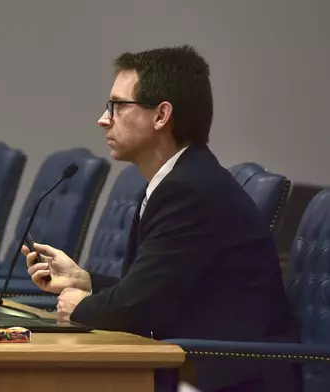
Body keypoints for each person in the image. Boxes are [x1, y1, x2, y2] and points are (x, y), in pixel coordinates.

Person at [22, 45, 299, 392]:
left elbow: (138, 310)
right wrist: (85, 280)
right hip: (198, 363)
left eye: (117, 106)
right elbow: (154, 290)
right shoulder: (179, 180)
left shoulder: (190, 191)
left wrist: (82, 307)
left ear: (161, 115)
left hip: (230, 375)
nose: (103, 119)